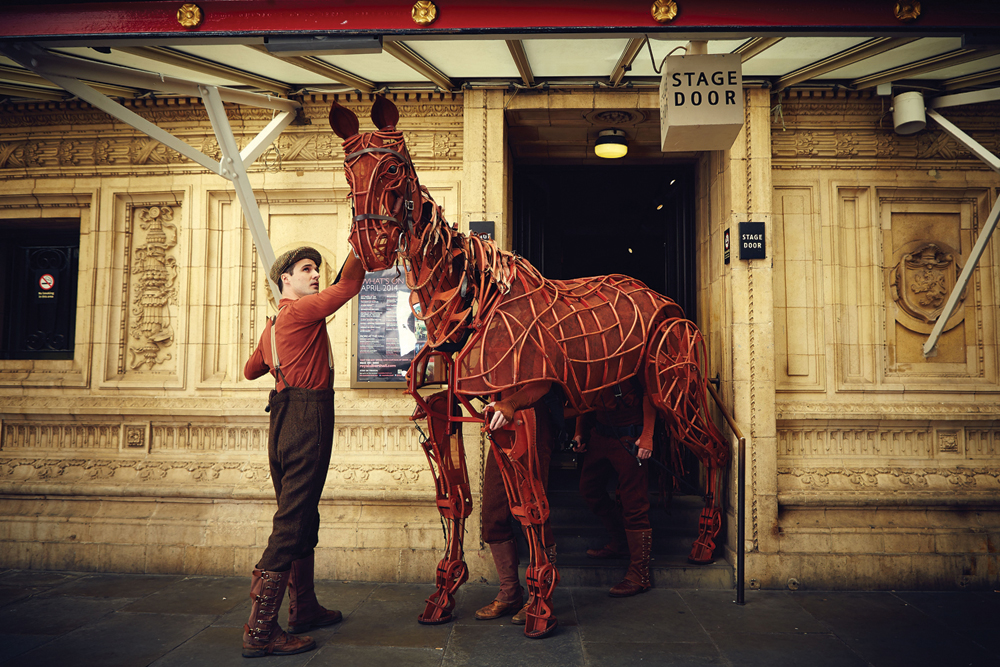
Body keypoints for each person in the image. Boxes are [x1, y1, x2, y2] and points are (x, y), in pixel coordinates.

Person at [241, 246, 365, 658]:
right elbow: (349, 284)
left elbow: (251, 369)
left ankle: (305, 608)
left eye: (316, 269)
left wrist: (277, 351)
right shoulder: (301, 311)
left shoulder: (276, 323)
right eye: (306, 270)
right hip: (307, 416)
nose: (315, 275)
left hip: (282, 418)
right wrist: (361, 241)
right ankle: (260, 631)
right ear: (285, 282)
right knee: (292, 522)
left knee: (301, 512)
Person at [476, 384, 560, 626]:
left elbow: (545, 379)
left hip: (532, 420)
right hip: (500, 422)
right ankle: (510, 593)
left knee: (533, 511)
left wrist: (512, 403)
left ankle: (542, 594)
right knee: (493, 510)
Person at [572, 378, 655, 597]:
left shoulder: (632, 349)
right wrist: (580, 431)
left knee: (634, 503)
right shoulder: (592, 351)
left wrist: (647, 436)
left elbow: (651, 392)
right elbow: (586, 394)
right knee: (589, 488)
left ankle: (640, 574)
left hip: (630, 434)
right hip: (600, 434)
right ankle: (620, 541)